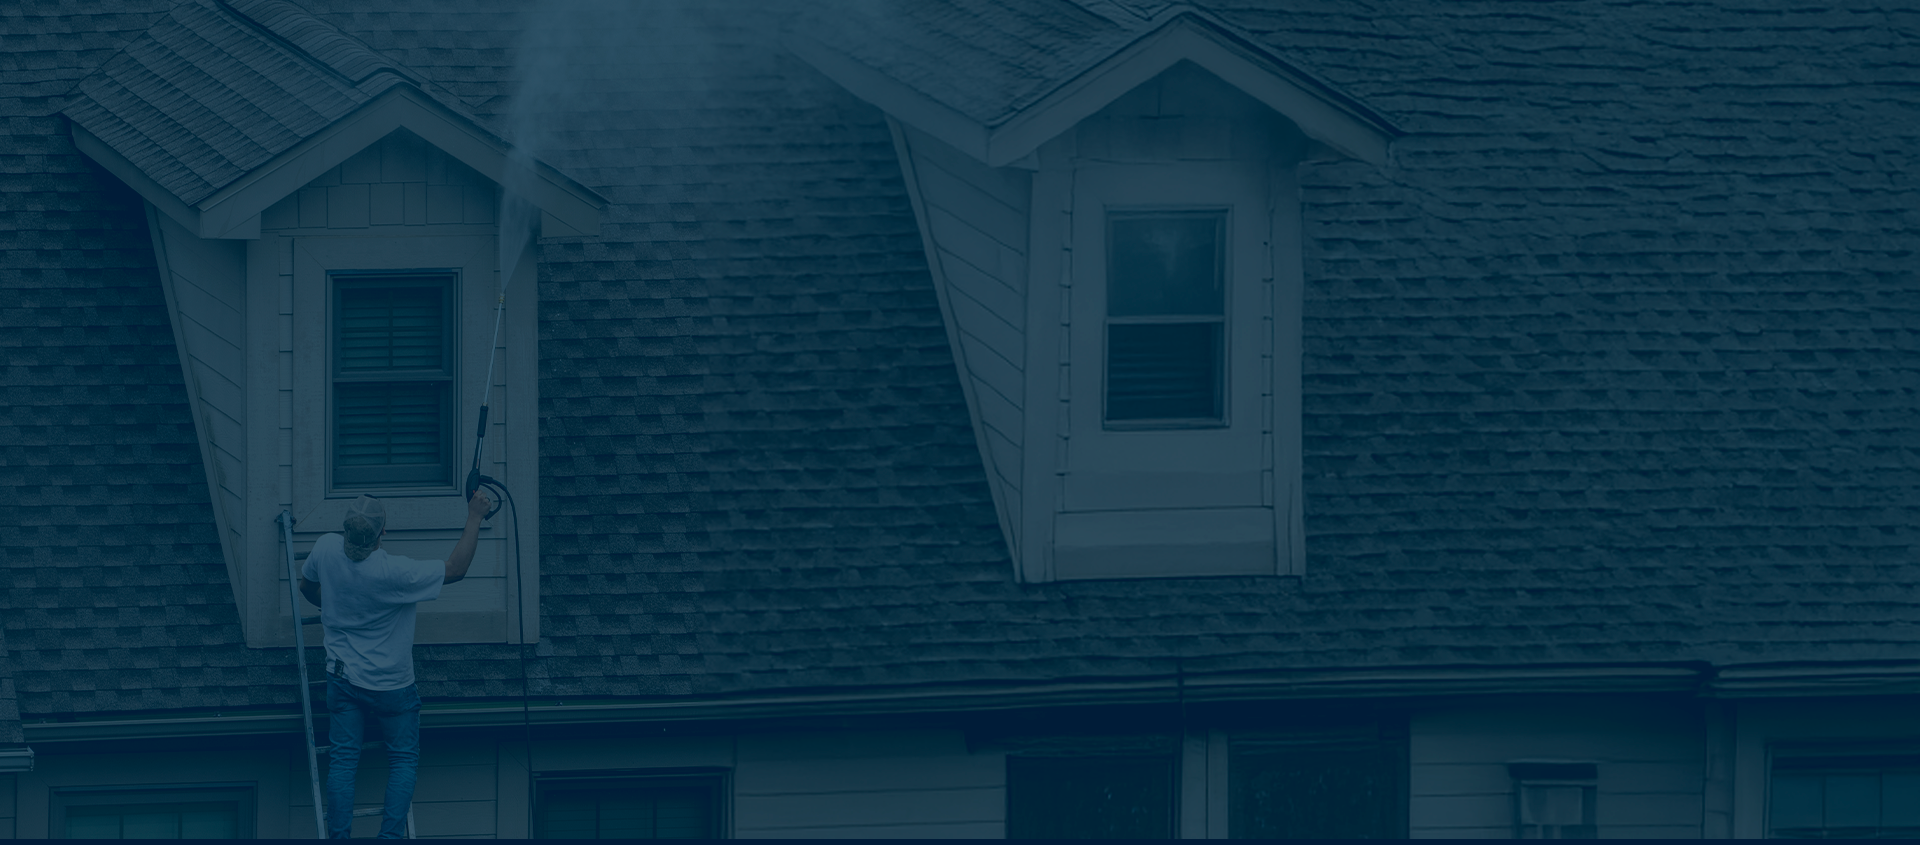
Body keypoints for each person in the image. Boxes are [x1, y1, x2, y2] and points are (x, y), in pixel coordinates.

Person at [299, 492, 489, 839]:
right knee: (402, 761)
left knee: (343, 761)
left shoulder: (325, 548)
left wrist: (334, 605)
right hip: (392, 687)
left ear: (344, 530)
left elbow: (307, 587)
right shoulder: (395, 571)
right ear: (382, 533)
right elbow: (455, 570)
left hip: (341, 679)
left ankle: (338, 838)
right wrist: (475, 516)